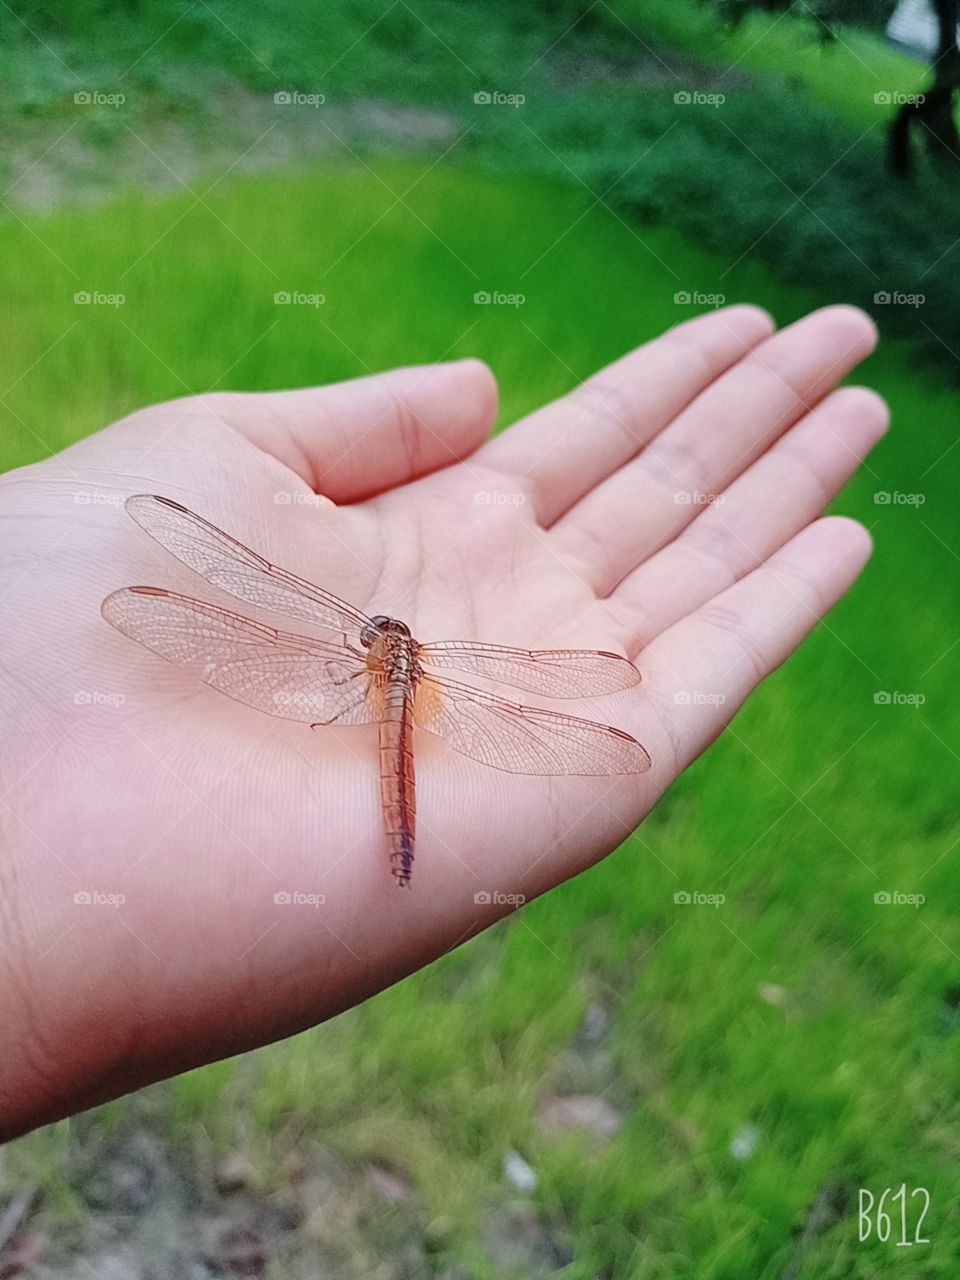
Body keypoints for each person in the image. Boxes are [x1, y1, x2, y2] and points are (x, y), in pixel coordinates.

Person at [0, 304, 887, 1141]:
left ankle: (397, 842)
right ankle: (401, 848)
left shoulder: (362, 661)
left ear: (376, 643)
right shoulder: (424, 669)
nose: (380, 637)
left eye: (379, 635)